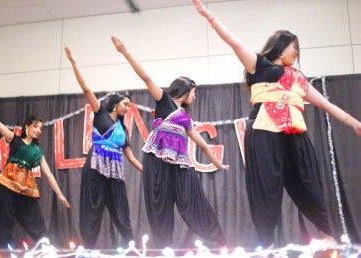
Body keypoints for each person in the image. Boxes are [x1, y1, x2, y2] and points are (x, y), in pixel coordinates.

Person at [192, 0, 361, 248]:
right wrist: (210, 17)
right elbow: (235, 42)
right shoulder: (259, 66)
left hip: (294, 136)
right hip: (264, 133)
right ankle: (266, 244)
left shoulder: (298, 78)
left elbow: (326, 104)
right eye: (295, 48)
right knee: (266, 188)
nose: (297, 53)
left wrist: (354, 122)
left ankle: (327, 235)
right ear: (282, 47)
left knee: (309, 183)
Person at [111, 36, 229, 249]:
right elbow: (146, 77)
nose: (195, 97)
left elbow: (202, 145)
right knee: (159, 207)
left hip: (180, 165)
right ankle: (163, 249)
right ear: (185, 91)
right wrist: (125, 52)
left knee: (193, 200)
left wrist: (218, 164)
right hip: (156, 162)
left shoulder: (187, 119)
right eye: (194, 93)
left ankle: (219, 240)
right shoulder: (164, 100)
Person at [64, 47, 143, 249]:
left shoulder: (123, 129)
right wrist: (73, 63)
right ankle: (88, 249)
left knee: (122, 211)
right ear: (116, 104)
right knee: (92, 209)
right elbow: (86, 90)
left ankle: (133, 249)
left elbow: (131, 157)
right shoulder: (100, 114)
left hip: (115, 172)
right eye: (125, 104)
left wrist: (147, 171)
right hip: (96, 167)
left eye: (129, 105)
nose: (127, 108)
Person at [0, 94, 70, 248]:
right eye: (35, 126)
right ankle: (3, 252)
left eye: (40, 128)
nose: (39, 130)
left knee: (35, 220)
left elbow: (49, 175)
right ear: (27, 127)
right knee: (3, 221)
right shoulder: (15, 139)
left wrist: (59, 194)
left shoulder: (37, 151)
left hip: (25, 187)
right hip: (6, 185)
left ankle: (45, 248)